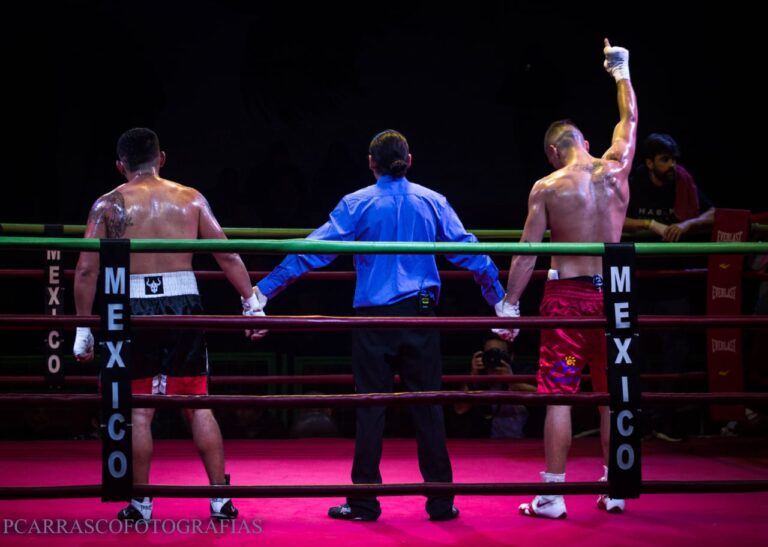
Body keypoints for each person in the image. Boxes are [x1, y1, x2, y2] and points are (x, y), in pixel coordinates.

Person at [246, 129, 511, 521]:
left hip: (374, 320)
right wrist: (501, 303)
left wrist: (263, 292)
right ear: (409, 160)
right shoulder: (432, 201)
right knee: (429, 408)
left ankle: (365, 503)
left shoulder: (357, 203)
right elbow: (470, 251)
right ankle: (441, 502)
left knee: (371, 408)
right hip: (420, 314)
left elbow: (313, 250)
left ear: (371, 164)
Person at [72, 127, 260, 521]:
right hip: (183, 302)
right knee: (198, 404)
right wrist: (251, 304)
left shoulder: (107, 205)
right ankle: (220, 500)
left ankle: (140, 504)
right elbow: (225, 255)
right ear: (162, 158)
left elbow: (87, 270)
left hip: (130, 306)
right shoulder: (189, 198)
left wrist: (82, 329)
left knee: (138, 410)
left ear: (121, 166)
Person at [495, 39, 637, 518]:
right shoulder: (615, 167)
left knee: (559, 395)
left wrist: (509, 307)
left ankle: (553, 496)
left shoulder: (548, 186)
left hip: (567, 295)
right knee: (611, 392)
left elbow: (527, 253)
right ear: (585, 143)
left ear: (555, 151)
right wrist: (620, 70)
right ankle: (616, 486)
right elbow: (630, 121)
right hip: (615, 294)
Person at [623, 134, 715, 442]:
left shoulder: (682, 181)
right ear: (649, 162)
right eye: (664, 160)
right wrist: (650, 225)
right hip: (639, 280)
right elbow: (615, 218)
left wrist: (688, 225)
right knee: (637, 348)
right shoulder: (634, 182)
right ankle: (640, 421)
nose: (671, 165)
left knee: (676, 347)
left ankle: (664, 419)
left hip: (673, 280)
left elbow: (712, 212)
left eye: (673, 159)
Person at [453, 334, 535, 439]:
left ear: (511, 356)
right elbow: (460, 409)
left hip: (524, 443)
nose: (493, 358)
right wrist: (473, 377)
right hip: (485, 444)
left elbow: (543, 401)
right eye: (489, 353)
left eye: (499, 354)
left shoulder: (523, 373)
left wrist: (512, 381)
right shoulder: (477, 376)